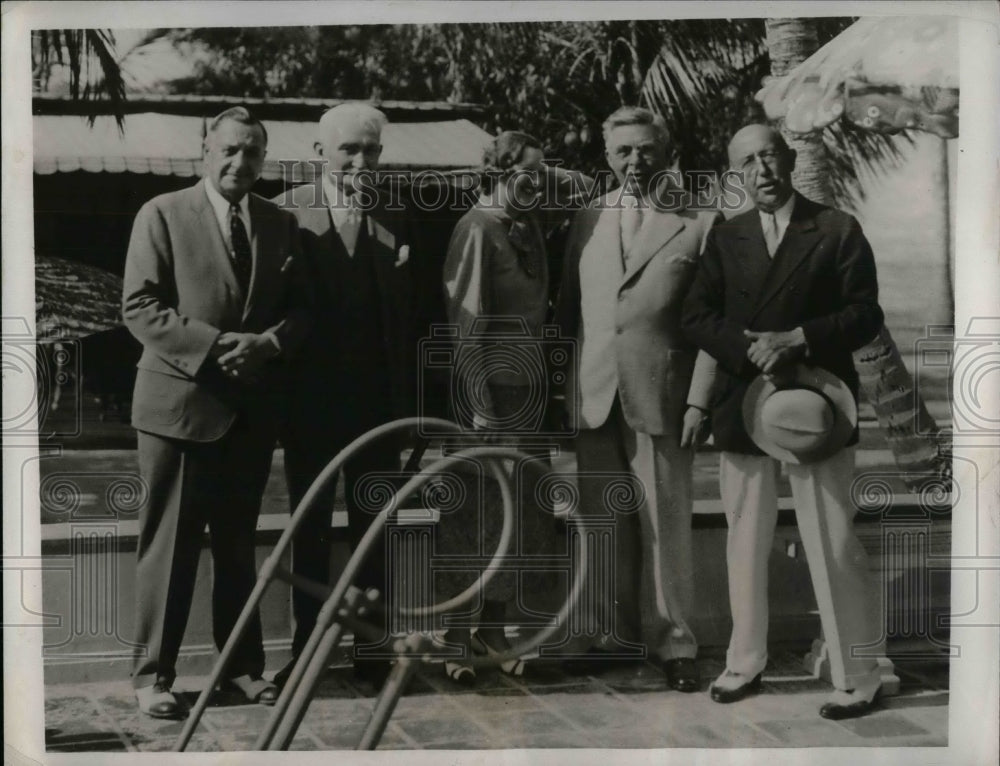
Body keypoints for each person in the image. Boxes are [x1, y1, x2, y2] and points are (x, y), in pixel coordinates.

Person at [682, 123, 887, 719]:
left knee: (834, 541)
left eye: (770, 156)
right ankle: (744, 663)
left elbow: (866, 312)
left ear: (790, 159)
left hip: (816, 407)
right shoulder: (727, 237)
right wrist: (750, 348)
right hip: (745, 405)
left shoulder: (837, 228)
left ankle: (859, 672)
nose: (762, 170)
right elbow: (696, 317)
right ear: (736, 175)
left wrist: (799, 338)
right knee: (744, 540)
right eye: (747, 162)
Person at [122, 107, 309, 718]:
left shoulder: (280, 222)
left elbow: (303, 312)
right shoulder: (162, 214)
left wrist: (268, 344)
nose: (240, 162)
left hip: (250, 413)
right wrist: (213, 348)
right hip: (178, 407)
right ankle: (153, 675)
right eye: (229, 150)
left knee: (237, 546)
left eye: (252, 152)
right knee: (170, 546)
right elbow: (140, 306)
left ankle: (241, 670)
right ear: (205, 150)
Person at [553, 106, 718, 692]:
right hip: (594, 395)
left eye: (646, 149)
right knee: (600, 522)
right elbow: (570, 314)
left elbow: (712, 323)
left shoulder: (697, 221)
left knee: (665, 521)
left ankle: (675, 643)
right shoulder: (589, 217)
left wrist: (700, 400)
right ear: (606, 157)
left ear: (667, 152)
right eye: (623, 151)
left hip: (663, 397)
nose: (635, 161)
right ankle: (607, 637)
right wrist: (563, 393)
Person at [272, 104, 423, 689]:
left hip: (377, 408)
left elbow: (412, 318)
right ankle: (307, 655)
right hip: (308, 409)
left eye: (371, 150)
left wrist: (411, 408)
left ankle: (371, 653)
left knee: (375, 531)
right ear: (319, 153)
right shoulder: (285, 214)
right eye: (348, 150)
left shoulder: (397, 216)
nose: (361, 162)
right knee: (307, 532)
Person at [438, 130, 558, 685]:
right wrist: (480, 405)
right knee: (478, 516)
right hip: (485, 399)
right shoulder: (476, 227)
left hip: (527, 396)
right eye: (526, 172)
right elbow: (465, 322)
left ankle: (496, 628)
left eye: (542, 172)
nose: (537, 182)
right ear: (498, 172)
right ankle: (455, 637)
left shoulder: (529, 224)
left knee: (522, 517)